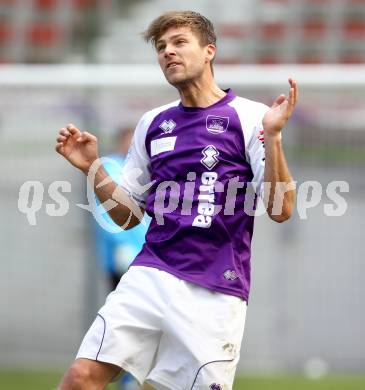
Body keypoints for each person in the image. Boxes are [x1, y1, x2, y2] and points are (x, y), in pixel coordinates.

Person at [55, 10, 297, 390]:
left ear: (209, 51)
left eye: (179, 42)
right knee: (81, 377)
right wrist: (93, 169)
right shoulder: (152, 124)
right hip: (150, 274)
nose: (168, 52)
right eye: (161, 47)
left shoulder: (252, 118)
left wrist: (275, 137)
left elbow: (281, 209)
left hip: (215, 291)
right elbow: (127, 218)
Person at [93, 128, 150, 390]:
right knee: (129, 327)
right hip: (125, 261)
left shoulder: (146, 171)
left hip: (151, 261)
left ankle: (138, 378)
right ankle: (128, 379)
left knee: (148, 327)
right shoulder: (112, 169)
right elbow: (110, 215)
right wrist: (120, 250)